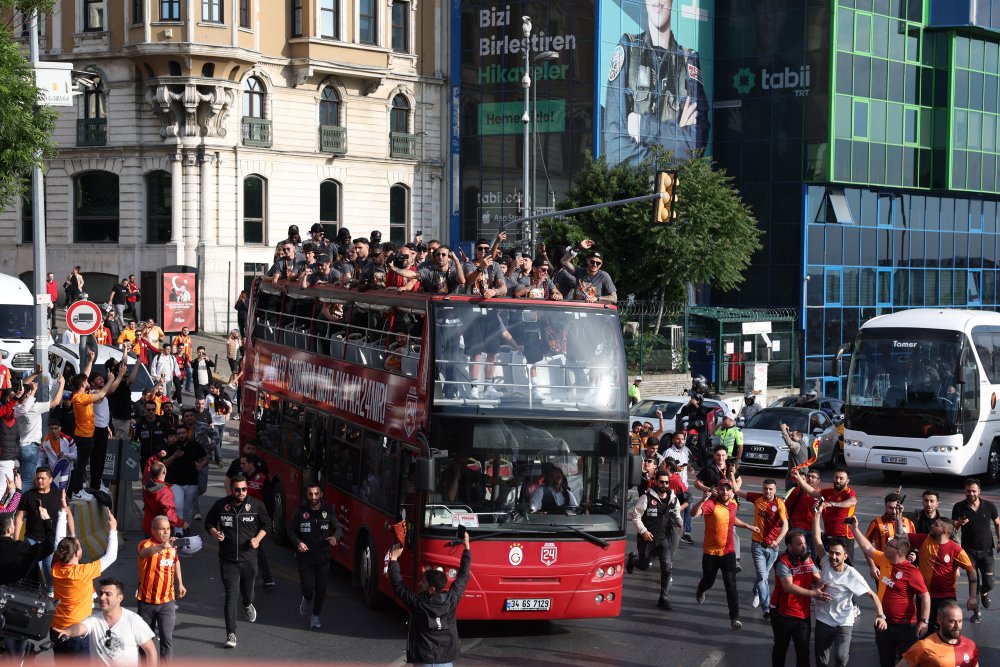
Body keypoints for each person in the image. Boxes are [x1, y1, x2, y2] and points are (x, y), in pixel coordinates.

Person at [602, 0, 709, 166]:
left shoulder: (688, 61)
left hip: (676, 189)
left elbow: (695, 146)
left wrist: (642, 127)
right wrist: (674, 143)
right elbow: (616, 148)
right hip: (638, 190)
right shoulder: (629, 50)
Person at [849, 515, 931, 667]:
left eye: (889, 545)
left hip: (906, 627)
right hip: (883, 623)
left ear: (899, 551)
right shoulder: (883, 559)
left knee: (907, 663)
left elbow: (925, 596)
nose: (885, 547)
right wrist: (854, 529)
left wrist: (924, 621)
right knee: (885, 662)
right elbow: (867, 548)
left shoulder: (912, 572)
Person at [812, 504, 887, 667]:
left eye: (837, 554)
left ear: (845, 556)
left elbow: (872, 595)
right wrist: (817, 515)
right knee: (821, 659)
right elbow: (817, 539)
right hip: (823, 618)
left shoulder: (851, 574)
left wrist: (881, 615)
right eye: (831, 552)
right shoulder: (825, 561)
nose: (833, 556)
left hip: (843, 621)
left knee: (840, 656)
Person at [205, 474, 271, 649]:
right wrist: (215, 533)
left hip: (249, 559)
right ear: (231, 490)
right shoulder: (222, 505)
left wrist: (257, 539)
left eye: (244, 489)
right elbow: (209, 522)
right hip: (228, 560)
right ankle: (231, 633)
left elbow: (267, 524)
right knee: (230, 596)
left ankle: (248, 603)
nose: (241, 492)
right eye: (237, 490)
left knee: (247, 593)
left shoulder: (255, 505)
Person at [388, 530, 471, 667]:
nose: (420, 583)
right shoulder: (451, 599)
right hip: (446, 661)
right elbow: (464, 576)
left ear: (432, 589)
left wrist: (394, 559)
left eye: (424, 582)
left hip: (424, 660)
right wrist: (466, 547)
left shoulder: (417, 603)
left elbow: (398, 585)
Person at [50, 507, 119, 660]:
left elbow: (58, 544)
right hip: (76, 630)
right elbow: (111, 556)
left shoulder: (56, 567)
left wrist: (62, 513)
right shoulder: (82, 572)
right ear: (76, 553)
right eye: (79, 546)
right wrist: (113, 529)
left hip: (55, 626)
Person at [692, 480, 760, 630]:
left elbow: (732, 519)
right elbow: (694, 513)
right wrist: (702, 500)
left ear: (732, 492)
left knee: (731, 585)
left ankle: (734, 618)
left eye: (728, 490)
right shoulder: (711, 504)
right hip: (711, 553)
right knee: (708, 581)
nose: (725, 492)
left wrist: (747, 526)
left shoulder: (733, 504)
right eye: (722, 489)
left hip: (728, 552)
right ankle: (701, 589)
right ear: (717, 490)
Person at [54, 578, 157, 667]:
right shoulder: (94, 621)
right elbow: (80, 627)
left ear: (120, 598)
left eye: (108, 594)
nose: (102, 597)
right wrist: (68, 632)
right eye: (101, 593)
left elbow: (151, 651)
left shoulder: (133, 620)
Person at [905, 518, 979, 628]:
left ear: (945, 532)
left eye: (936, 524)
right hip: (925, 596)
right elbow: (901, 536)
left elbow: (972, 572)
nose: (932, 525)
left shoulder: (956, 550)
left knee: (946, 631)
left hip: (946, 599)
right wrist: (898, 515)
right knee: (924, 630)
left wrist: (972, 597)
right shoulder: (924, 539)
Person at [288, 483, 342, 628]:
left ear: (321, 495)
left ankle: (316, 616)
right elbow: (291, 530)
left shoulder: (328, 511)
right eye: (311, 494)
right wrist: (298, 542)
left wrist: (335, 538)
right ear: (307, 495)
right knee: (307, 588)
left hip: (323, 557)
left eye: (316, 494)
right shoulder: (301, 511)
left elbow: (338, 528)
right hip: (305, 557)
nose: (313, 497)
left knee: (321, 588)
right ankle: (306, 598)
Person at [769, 530, 827, 667]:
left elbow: (817, 579)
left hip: (803, 615)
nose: (804, 547)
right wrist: (813, 594)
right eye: (800, 544)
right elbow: (788, 586)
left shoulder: (808, 559)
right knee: (780, 649)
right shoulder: (782, 563)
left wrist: (826, 582)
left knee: (803, 652)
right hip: (783, 615)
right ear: (789, 547)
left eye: (805, 543)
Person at [626, 469, 682, 610]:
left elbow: (676, 512)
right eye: (661, 482)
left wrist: (679, 521)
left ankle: (663, 598)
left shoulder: (673, 498)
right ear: (656, 482)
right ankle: (633, 560)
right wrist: (643, 531)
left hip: (663, 539)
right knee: (644, 565)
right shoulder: (646, 498)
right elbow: (636, 516)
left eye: (667, 482)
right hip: (647, 539)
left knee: (667, 567)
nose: (664, 484)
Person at [734, 478, 788, 619]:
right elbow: (736, 490)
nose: (768, 491)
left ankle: (756, 591)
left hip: (773, 548)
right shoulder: (756, 498)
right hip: (757, 545)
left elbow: (785, 525)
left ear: (775, 490)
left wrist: (777, 541)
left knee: (761, 576)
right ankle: (767, 608)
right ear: (762, 489)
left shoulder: (779, 503)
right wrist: (733, 474)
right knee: (763, 576)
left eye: (771, 489)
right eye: (765, 488)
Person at [136, 516, 186, 658]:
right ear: (153, 530)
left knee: (167, 640)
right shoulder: (145, 544)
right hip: (146, 601)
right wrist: (160, 547)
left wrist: (180, 583)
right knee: (145, 642)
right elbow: (143, 554)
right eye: (162, 529)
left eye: (168, 528)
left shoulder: (172, 547)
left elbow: (176, 562)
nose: (166, 532)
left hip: (167, 601)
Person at [950, 478, 999, 615]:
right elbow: (953, 529)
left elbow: (997, 524)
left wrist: (999, 541)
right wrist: (959, 523)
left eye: (973, 491)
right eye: (968, 491)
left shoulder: (989, 506)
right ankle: (976, 612)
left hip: (987, 551)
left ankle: (984, 592)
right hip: (968, 552)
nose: (971, 494)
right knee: (974, 582)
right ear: (964, 491)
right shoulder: (959, 507)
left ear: (979, 491)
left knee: (990, 583)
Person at [791, 467, 858, 561]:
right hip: (828, 536)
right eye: (836, 477)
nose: (838, 480)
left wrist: (832, 503)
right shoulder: (829, 491)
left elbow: (852, 502)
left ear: (847, 481)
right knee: (825, 564)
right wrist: (798, 477)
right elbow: (812, 491)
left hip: (843, 537)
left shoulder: (849, 492)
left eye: (841, 478)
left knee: (845, 567)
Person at [16, 373, 65, 488]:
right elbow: (56, 402)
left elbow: (22, 389)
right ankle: (22, 505)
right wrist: (62, 384)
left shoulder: (16, 407)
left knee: (21, 479)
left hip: (19, 446)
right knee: (27, 480)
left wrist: (35, 374)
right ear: (28, 396)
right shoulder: (34, 407)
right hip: (31, 448)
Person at [897, 599, 979, 667]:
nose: (957, 626)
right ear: (939, 620)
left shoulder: (970, 645)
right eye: (952, 621)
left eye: (960, 621)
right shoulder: (924, 646)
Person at [866, 492, 917, 577]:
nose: (893, 511)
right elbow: (866, 546)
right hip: (883, 568)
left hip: (904, 568)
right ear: (885, 507)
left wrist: (914, 554)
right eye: (890, 508)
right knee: (884, 590)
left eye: (895, 508)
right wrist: (872, 566)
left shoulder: (909, 523)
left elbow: (914, 544)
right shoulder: (876, 523)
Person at [142, 460, 187, 538]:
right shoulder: (165, 492)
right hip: (161, 530)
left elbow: (148, 464)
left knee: (148, 548)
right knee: (161, 550)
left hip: (148, 526)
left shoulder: (146, 482)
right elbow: (170, 515)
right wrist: (182, 523)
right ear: (164, 472)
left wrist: (157, 455)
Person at [785, 467, 822, 558]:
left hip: (813, 528)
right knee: (798, 552)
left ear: (819, 481)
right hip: (798, 527)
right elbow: (786, 506)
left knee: (813, 554)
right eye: (809, 476)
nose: (810, 478)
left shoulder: (821, 494)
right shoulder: (798, 490)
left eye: (813, 477)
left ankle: (812, 570)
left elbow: (824, 512)